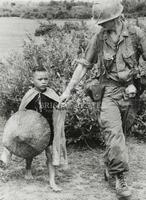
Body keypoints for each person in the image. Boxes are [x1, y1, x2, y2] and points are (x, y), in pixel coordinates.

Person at [59, 0, 146, 198]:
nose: (99, 25)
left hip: (131, 94)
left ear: (115, 18)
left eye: (103, 21)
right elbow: (83, 66)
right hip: (108, 93)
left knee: (121, 134)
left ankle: (110, 165)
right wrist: (67, 91)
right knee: (114, 134)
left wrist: (137, 79)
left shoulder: (135, 34)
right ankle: (120, 178)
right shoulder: (99, 37)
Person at [0, 67, 68, 192]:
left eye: (46, 79)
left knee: (50, 154)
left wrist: (61, 107)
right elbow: (21, 114)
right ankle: (28, 168)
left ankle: (52, 181)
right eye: (40, 79)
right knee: (29, 151)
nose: (43, 81)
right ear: (33, 80)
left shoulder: (51, 93)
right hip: (31, 131)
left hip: (49, 129)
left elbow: (58, 108)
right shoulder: (29, 95)